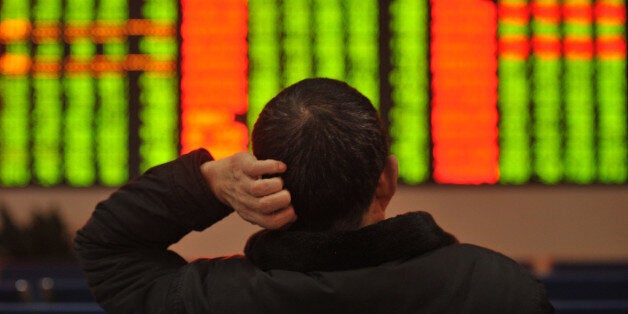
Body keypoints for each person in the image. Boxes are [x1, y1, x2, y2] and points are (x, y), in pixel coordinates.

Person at [75, 78, 553, 313]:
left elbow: (108, 246)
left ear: (263, 184)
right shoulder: (495, 290)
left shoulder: (212, 301)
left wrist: (209, 182)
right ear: (386, 180)